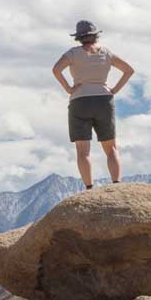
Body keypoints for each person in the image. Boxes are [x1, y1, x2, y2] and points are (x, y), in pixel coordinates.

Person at [52, 20, 135, 189]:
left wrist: (69, 88)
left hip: (79, 100)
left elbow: (56, 70)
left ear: (79, 38)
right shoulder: (106, 53)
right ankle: (116, 184)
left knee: (83, 151)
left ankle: (89, 188)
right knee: (111, 148)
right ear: (96, 35)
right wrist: (114, 90)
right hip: (104, 99)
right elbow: (128, 70)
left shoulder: (73, 54)